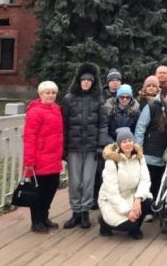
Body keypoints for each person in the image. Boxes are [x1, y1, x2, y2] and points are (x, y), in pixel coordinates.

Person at [61, 63, 108, 229]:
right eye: (84, 80)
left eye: (90, 80)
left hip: (91, 148)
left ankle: (85, 212)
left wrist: (101, 146)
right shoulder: (69, 99)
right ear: (79, 81)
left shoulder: (98, 100)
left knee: (88, 181)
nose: (86, 82)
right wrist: (63, 148)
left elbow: (103, 125)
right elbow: (64, 124)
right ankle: (75, 212)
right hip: (73, 147)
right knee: (75, 182)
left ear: (93, 82)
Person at [22, 81, 63, 233]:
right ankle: (36, 221)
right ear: (40, 94)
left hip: (54, 158)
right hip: (39, 159)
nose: (51, 95)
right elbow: (29, 137)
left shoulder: (57, 109)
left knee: (51, 189)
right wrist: (29, 161)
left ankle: (44, 216)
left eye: (53, 92)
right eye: (47, 93)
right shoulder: (35, 112)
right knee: (38, 191)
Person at [98, 127, 152, 239]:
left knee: (147, 200)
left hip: (131, 195)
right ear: (119, 145)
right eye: (124, 141)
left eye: (130, 140)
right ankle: (104, 223)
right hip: (111, 200)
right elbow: (111, 192)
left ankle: (135, 228)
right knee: (129, 225)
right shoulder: (111, 162)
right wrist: (127, 212)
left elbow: (145, 180)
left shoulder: (139, 157)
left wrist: (138, 199)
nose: (128, 144)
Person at [136, 81, 167, 202]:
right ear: (163, 95)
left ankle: (160, 206)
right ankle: (148, 210)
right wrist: (138, 148)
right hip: (150, 151)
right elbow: (140, 128)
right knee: (150, 181)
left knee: (164, 182)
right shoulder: (151, 107)